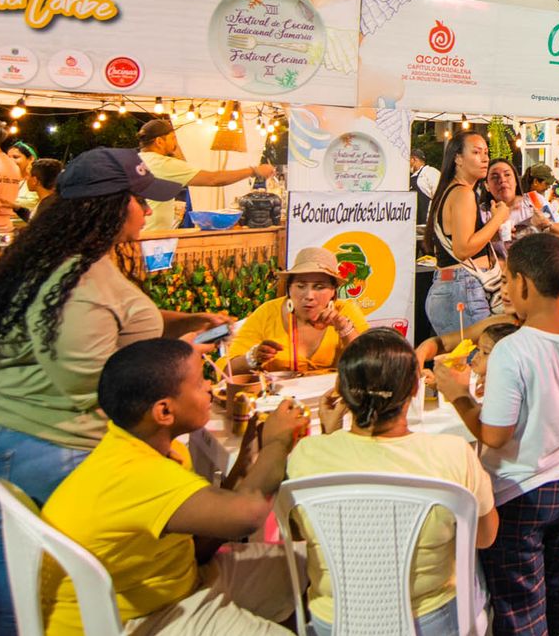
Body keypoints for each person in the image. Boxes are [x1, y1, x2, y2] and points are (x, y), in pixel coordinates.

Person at [0, 148, 226, 636]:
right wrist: (176, 363)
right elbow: (91, 383)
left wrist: (184, 321)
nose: (148, 209)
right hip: (37, 447)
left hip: (10, 435)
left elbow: (115, 323)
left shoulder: (74, 260)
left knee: (11, 594)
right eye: (140, 199)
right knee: (24, 605)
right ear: (110, 206)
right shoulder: (77, 282)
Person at [40, 338, 306, 636]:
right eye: (199, 383)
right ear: (164, 412)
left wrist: (245, 462)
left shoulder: (146, 448)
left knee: (312, 567)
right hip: (132, 620)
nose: (209, 387)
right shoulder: (140, 474)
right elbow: (248, 514)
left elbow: (201, 542)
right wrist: (277, 442)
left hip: (176, 581)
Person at [434, 233, 559, 636]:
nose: (507, 289)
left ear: (525, 284)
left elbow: (494, 437)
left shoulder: (513, 350)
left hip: (521, 491)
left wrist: (459, 396)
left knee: (521, 607)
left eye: (509, 279)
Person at [289, 330, 498, 636]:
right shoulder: (453, 453)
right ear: (414, 387)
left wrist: (328, 436)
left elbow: (300, 530)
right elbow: (485, 537)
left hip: (333, 623)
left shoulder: (306, 454)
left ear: (341, 390)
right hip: (431, 622)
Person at [229, 247, 368, 375]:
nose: (309, 296)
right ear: (289, 288)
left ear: (333, 291)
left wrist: (344, 328)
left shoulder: (346, 311)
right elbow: (228, 369)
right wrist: (253, 357)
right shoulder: (267, 312)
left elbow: (371, 364)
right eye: (301, 286)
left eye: (319, 287)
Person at [424, 131, 510, 340]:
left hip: (453, 287)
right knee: (477, 355)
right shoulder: (463, 193)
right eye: (476, 152)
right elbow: (462, 249)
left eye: (486, 153)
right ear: (458, 158)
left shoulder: (450, 191)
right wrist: (498, 219)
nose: (485, 158)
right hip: (462, 287)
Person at [137, 118, 275, 231]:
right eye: (172, 138)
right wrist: (254, 171)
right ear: (159, 141)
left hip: (139, 234)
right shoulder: (163, 164)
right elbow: (213, 179)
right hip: (152, 238)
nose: (176, 143)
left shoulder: (138, 160)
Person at [8, 141, 40, 214]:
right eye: (8, 157)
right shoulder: (3, 179)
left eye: (15, 157)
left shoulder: (38, 182)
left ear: (31, 159)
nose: (10, 161)